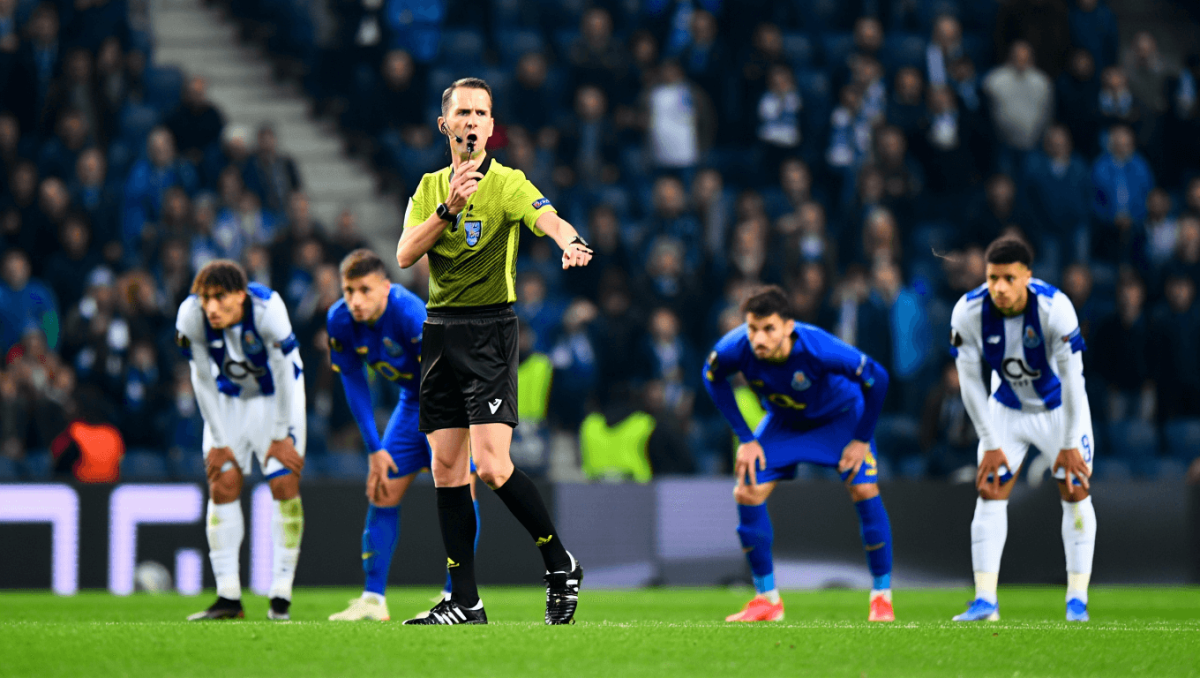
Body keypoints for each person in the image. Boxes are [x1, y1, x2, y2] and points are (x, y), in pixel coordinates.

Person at [395, 77, 593, 625]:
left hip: (489, 331)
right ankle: (465, 601)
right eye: (464, 112)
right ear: (446, 124)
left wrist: (567, 241)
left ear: (490, 124)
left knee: (490, 464)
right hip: (439, 331)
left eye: (482, 112)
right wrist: (447, 210)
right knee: (446, 468)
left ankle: (558, 560)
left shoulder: (506, 183)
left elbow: (546, 216)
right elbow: (404, 253)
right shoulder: (430, 187)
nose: (474, 121)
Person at [702, 285, 896, 623]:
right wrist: (745, 437)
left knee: (863, 488)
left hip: (840, 418)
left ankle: (882, 597)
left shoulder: (818, 347)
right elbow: (712, 377)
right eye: (752, 328)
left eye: (768, 329)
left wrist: (862, 439)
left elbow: (877, 378)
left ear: (788, 327)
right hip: (786, 421)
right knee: (746, 489)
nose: (758, 338)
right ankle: (767, 600)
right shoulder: (735, 348)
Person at [325, 249, 480, 621]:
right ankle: (373, 599)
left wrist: (441, 433)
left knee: (459, 490)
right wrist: (374, 448)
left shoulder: (410, 313)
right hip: (413, 402)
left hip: (451, 399)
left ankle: (456, 595)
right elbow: (353, 380)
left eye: (364, 290)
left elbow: (446, 375)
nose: (355, 300)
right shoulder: (339, 320)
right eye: (348, 291)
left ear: (385, 288)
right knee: (382, 490)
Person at [948, 237, 1096, 622]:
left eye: (1008, 278)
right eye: (992, 277)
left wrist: (1067, 443)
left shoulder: (1055, 307)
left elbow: (1074, 379)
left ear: (1027, 277)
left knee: (1075, 490)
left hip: (1059, 409)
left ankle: (1076, 600)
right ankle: (985, 601)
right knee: (989, 490)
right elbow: (970, 381)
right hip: (1007, 408)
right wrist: (990, 441)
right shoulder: (968, 311)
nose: (998, 287)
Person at [175, 260, 306, 621]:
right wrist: (218, 440)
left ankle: (281, 594)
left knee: (283, 483)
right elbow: (200, 377)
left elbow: (283, 373)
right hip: (229, 399)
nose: (211, 307)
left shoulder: (268, 309)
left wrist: (281, 434)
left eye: (220, 298)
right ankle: (228, 596)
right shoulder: (190, 315)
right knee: (223, 484)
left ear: (241, 296)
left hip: (279, 398)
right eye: (206, 298)